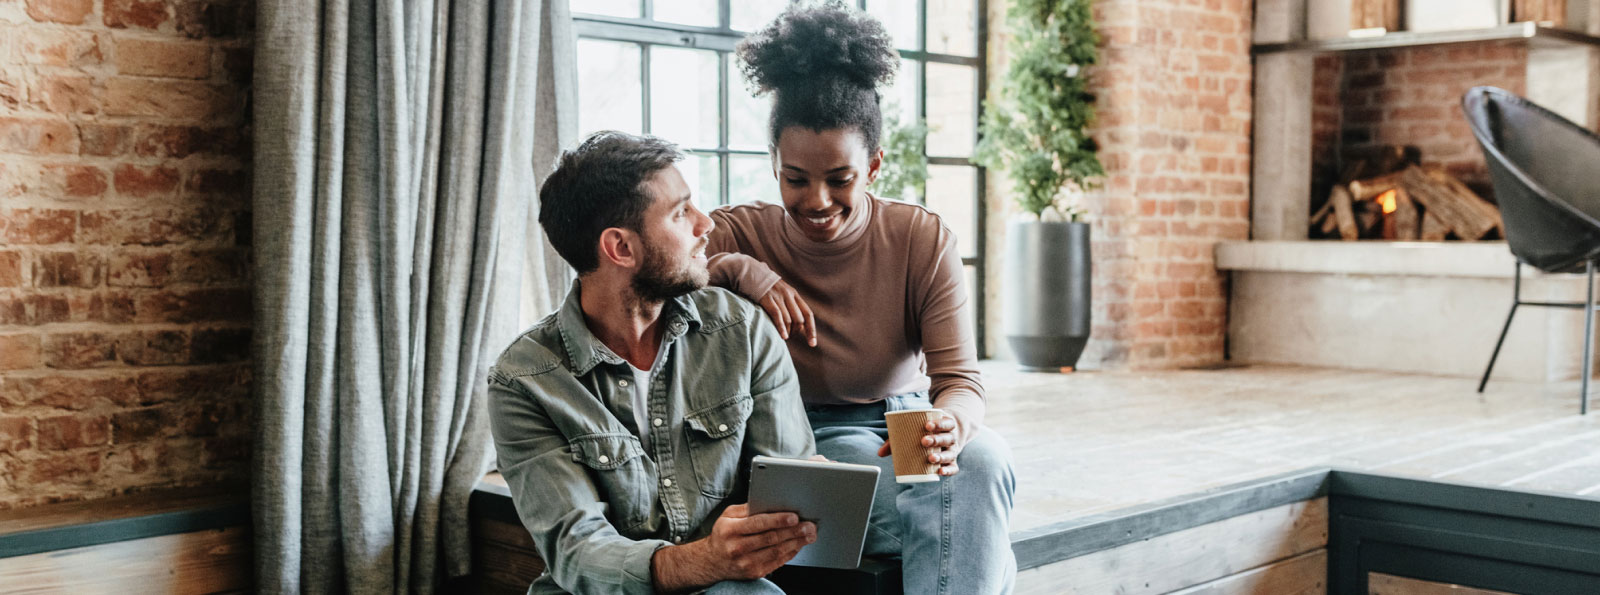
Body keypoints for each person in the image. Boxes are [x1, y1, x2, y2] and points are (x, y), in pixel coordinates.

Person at [704, 4, 1018, 594]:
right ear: (773, 163)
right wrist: (741, 270)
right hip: (807, 438)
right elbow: (657, 277)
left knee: (985, 463)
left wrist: (953, 422)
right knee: (965, 516)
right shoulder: (738, 231)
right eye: (795, 178)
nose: (817, 199)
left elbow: (961, 381)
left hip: (903, 424)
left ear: (873, 164)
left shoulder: (920, 238)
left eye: (839, 179)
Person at [487, 131, 818, 595]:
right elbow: (578, 551)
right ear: (620, 248)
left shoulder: (741, 329)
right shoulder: (524, 380)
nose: (706, 225)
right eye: (681, 212)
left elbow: (791, 486)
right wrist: (704, 558)